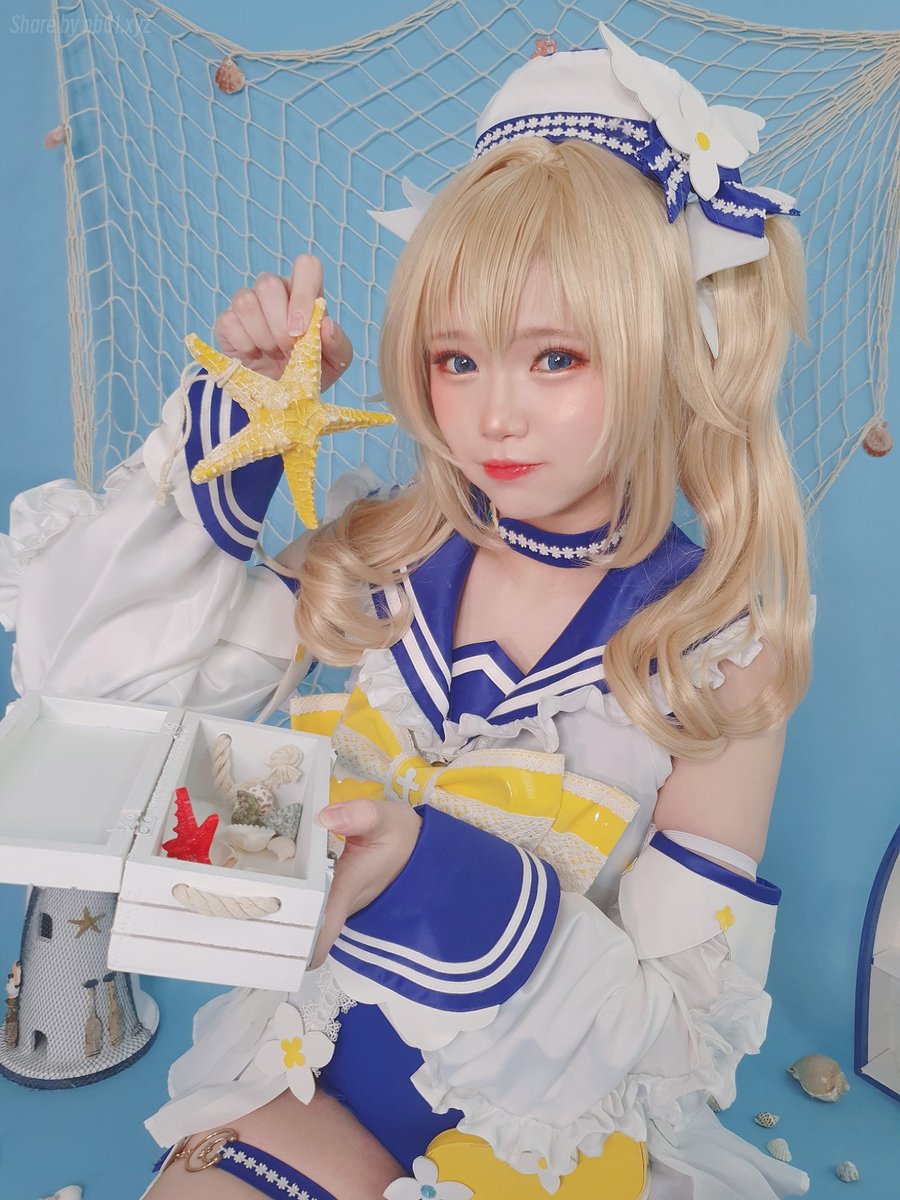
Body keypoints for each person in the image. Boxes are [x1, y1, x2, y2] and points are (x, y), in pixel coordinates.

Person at [1, 26, 814, 1200]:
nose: (494, 416)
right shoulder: (376, 554)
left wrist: (431, 873)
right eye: (456, 359)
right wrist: (239, 425)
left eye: (555, 358)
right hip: (315, 1077)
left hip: (549, 1135)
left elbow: (681, 1045)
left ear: (665, 351)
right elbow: (93, 687)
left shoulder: (716, 650)